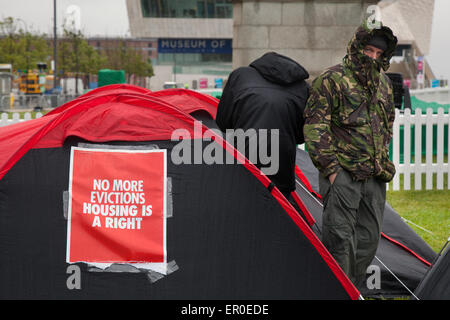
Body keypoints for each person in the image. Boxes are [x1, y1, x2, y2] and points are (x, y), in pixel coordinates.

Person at [303, 22, 398, 286]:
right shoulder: (331, 79)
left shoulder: (384, 84)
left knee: (368, 240)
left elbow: (386, 123)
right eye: (369, 50)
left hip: (375, 176)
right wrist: (332, 170)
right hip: (343, 175)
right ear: (357, 47)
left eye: (379, 54)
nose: (373, 57)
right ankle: (338, 291)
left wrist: (381, 158)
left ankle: (352, 289)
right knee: (340, 240)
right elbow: (315, 126)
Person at [216, 52, 309, 200]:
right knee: (278, 217)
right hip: (282, 170)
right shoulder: (302, 87)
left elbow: (223, 121)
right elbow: (301, 134)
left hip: (242, 166)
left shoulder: (240, 76)